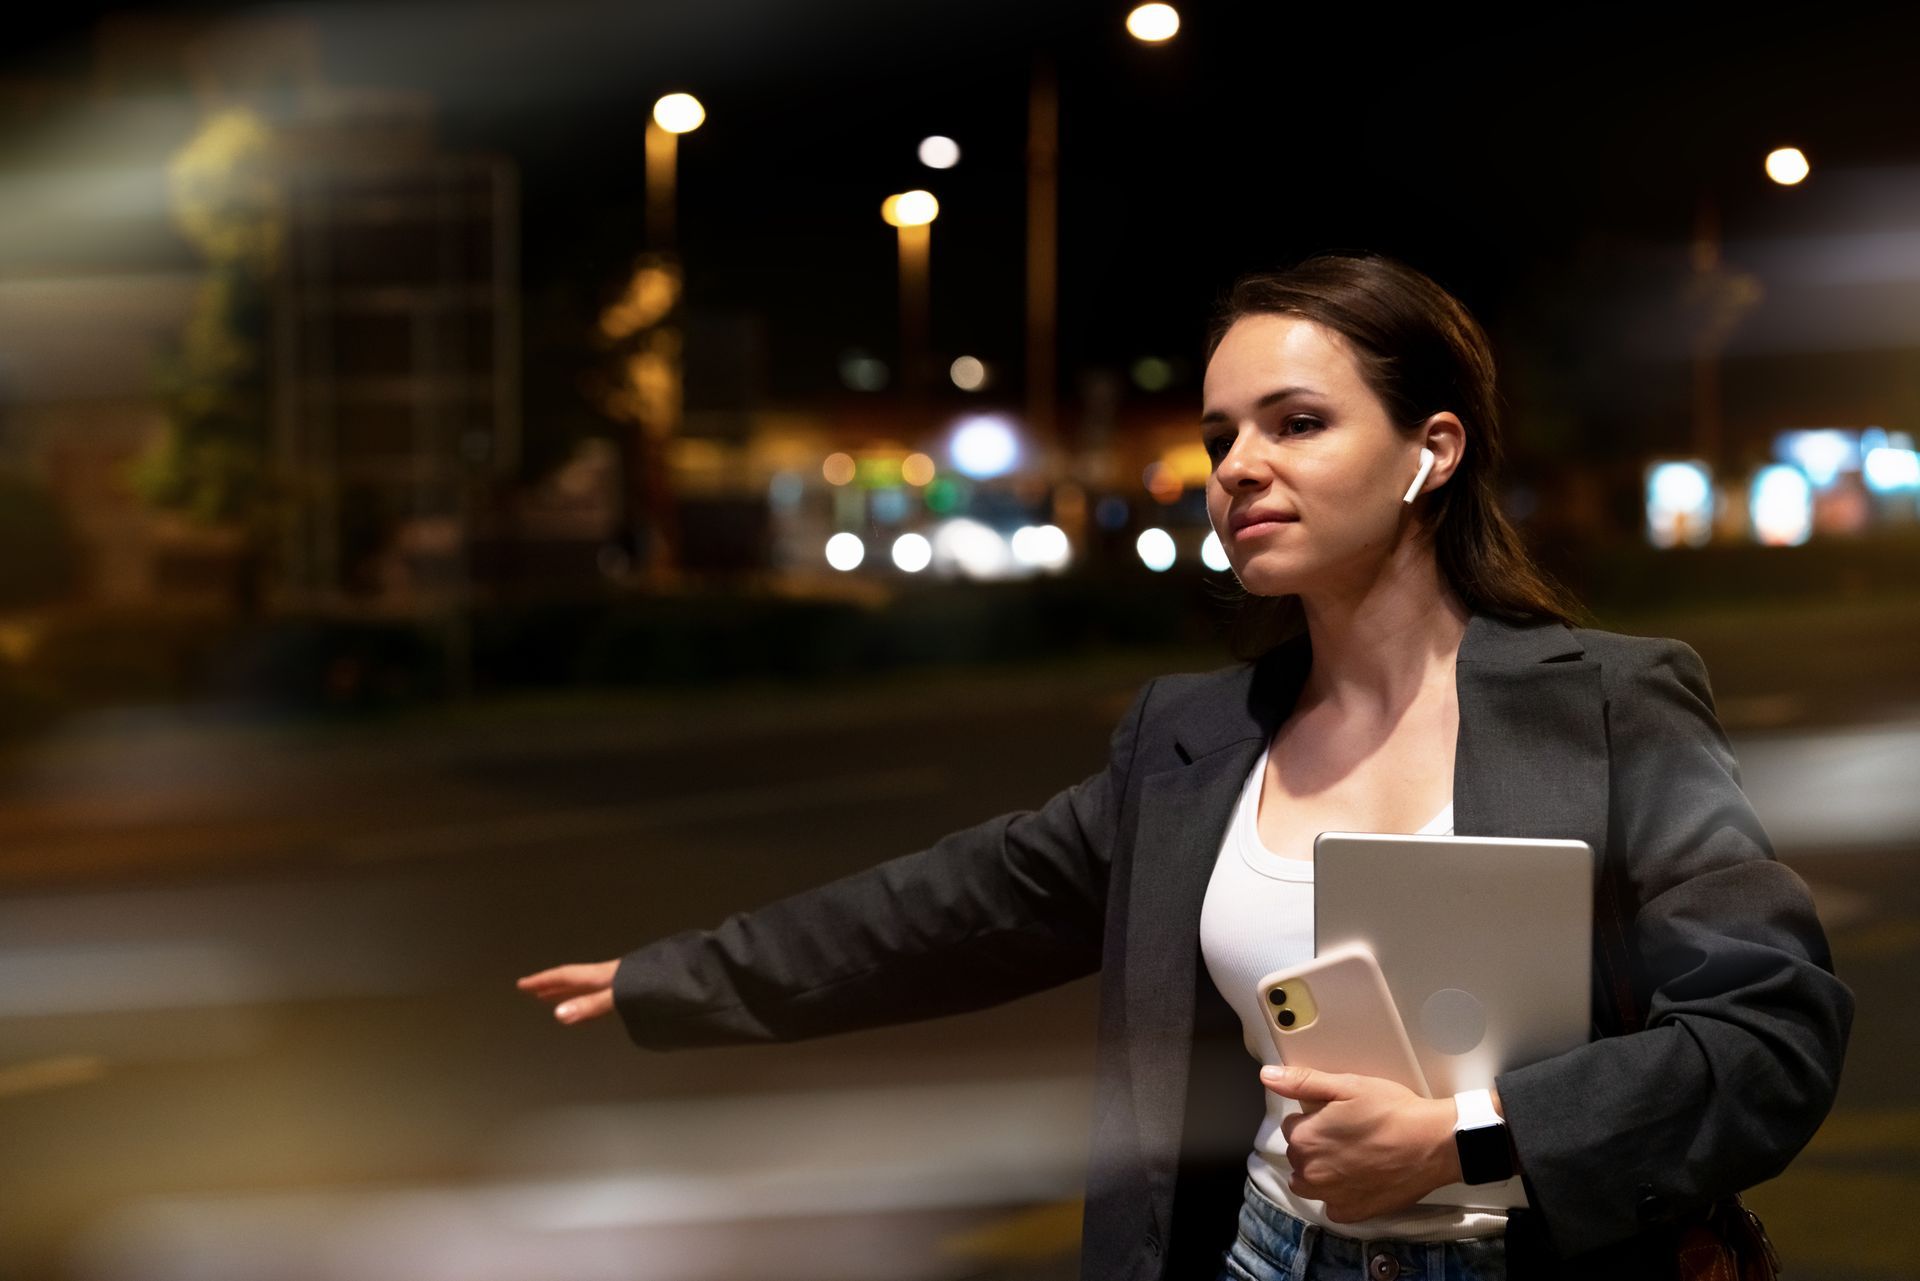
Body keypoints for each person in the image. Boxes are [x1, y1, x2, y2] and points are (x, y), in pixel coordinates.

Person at [517, 251, 1853, 1281]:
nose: (1237, 468)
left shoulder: (1610, 705)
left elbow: (1768, 1036)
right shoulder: (1194, 736)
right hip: (1259, 1250)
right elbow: (957, 904)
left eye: (1295, 422)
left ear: (1430, 451)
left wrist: (1464, 1141)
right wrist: (671, 977)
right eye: (1222, 435)